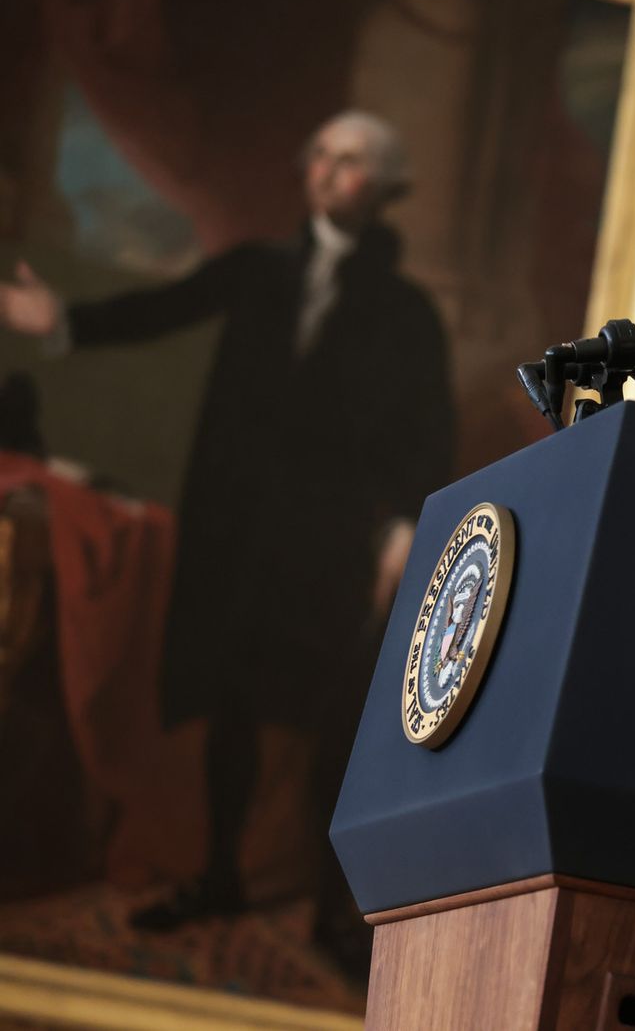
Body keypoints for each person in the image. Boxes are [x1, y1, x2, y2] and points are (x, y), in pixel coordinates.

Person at [0, 111, 455, 951]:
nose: (328, 170)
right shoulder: (257, 270)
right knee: (230, 701)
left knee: (331, 715)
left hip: (334, 542)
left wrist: (401, 529)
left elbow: (425, 436)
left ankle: (334, 912)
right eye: (321, 153)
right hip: (240, 531)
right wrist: (59, 320)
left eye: (352, 161)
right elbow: (163, 308)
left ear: (386, 189)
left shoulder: (406, 312)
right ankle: (219, 876)